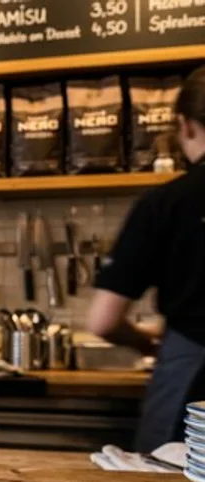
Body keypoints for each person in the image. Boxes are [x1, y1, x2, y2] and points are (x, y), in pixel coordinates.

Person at [88, 64, 205, 453]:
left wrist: (146, 343)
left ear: (185, 125)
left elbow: (103, 321)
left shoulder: (167, 203)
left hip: (193, 375)